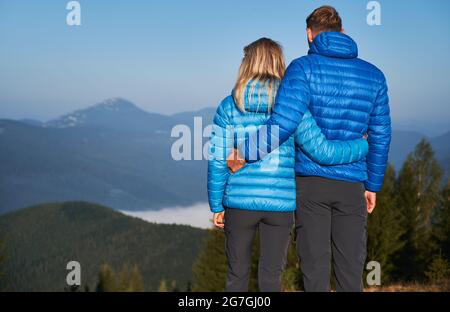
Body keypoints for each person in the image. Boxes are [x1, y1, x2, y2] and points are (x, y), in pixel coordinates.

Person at [231, 6, 392, 292]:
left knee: (314, 268)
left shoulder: (301, 69)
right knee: (350, 269)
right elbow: (381, 134)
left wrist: (244, 153)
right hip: (353, 183)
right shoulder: (374, 76)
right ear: (342, 31)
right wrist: (372, 184)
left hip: (311, 184)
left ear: (309, 33)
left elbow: (282, 123)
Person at [207, 37, 368, 292]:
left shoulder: (229, 106)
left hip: (238, 203)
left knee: (236, 276)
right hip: (280, 206)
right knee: (271, 279)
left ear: (246, 64)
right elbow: (322, 151)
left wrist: (216, 204)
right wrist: (361, 145)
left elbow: (218, 159)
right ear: (279, 64)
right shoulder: (293, 107)